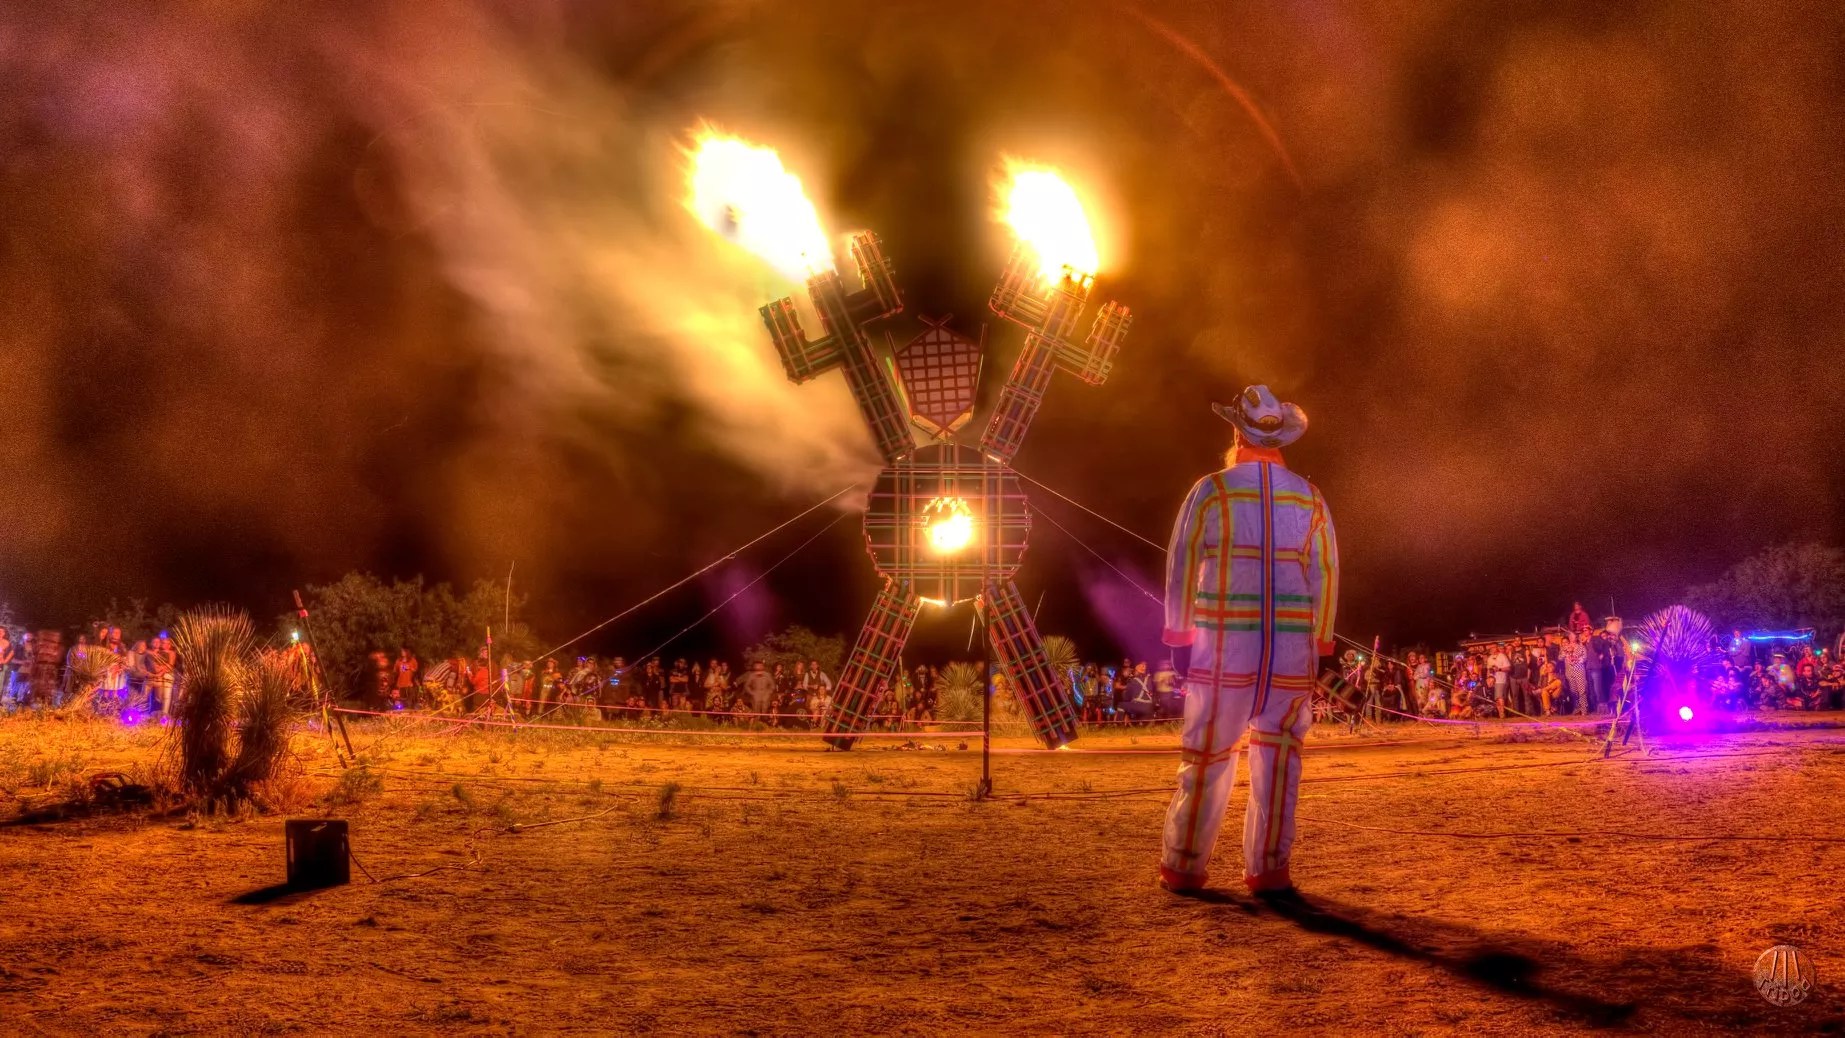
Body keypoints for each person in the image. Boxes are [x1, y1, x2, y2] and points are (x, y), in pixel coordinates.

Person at [1159, 386, 1338, 897]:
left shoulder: (1211, 490)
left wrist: (1179, 635)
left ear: (1236, 433)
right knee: (1279, 760)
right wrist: (1323, 643)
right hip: (1290, 651)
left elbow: (1182, 560)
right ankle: (1268, 870)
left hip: (1223, 647)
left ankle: (1184, 866)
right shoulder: (1309, 496)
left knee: (1207, 756)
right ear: (1280, 437)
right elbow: (1325, 572)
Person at [1487, 644, 1511, 719]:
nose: (1492, 649)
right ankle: (1499, 713)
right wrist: (1488, 679)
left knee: (1499, 697)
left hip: (1500, 680)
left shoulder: (1502, 656)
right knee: (1496, 698)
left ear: (1496, 648)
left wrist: (1499, 669)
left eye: (1493, 647)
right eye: (1491, 648)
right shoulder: (1490, 658)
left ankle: (1502, 713)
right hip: (1492, 681)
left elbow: (1508, 668)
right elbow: (1488, 670)